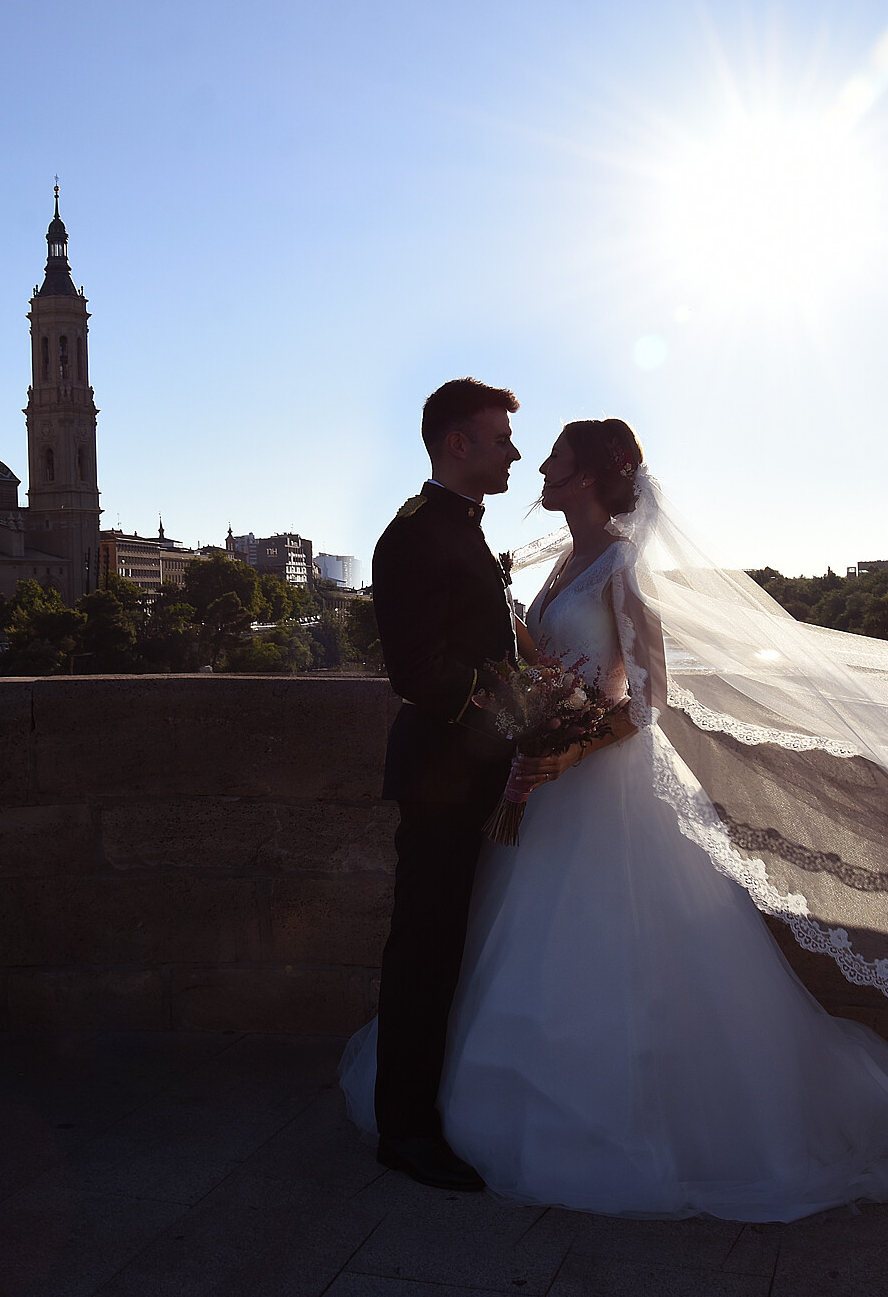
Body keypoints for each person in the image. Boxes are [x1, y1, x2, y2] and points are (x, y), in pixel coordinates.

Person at [345, 417, 888, 1219]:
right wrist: (540, 723)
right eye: (524, 447)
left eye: (554, 457)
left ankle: (624, 1127)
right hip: (540, 787)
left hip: (599, 786)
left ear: (585, 478)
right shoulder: (559, 563)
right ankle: (443, 1114)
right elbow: (533, 667)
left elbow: (649, 699)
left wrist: (571, 748)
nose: (535, 462)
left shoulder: (623, 566)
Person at [365, 377, 522, 1192]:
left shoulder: (461, 530)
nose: (514, 452)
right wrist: (513, 710)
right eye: (500, 439)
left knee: (448, 946)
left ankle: (424, 1112)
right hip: (438, 779)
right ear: (456, 443)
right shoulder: (417, 535)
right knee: (423, 952)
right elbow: (417, 670)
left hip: (473, 776)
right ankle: (406, 1131)